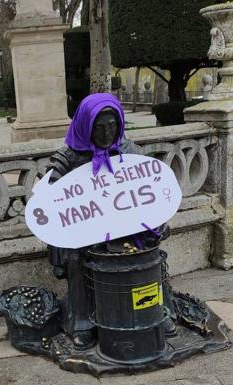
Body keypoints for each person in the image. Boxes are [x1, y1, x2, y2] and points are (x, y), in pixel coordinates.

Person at [47, 93, 176, 350]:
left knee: (150, 250)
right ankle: (83, 321)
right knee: (75, 258)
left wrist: (158, 220)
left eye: (112, 126)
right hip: (87, 234)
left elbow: (150, 192)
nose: (107, 133)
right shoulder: (67, 159)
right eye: (99, 127)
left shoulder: (131, 152)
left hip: (127, 230)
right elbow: (52, 207)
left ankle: (158, 310)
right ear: (86, 125)